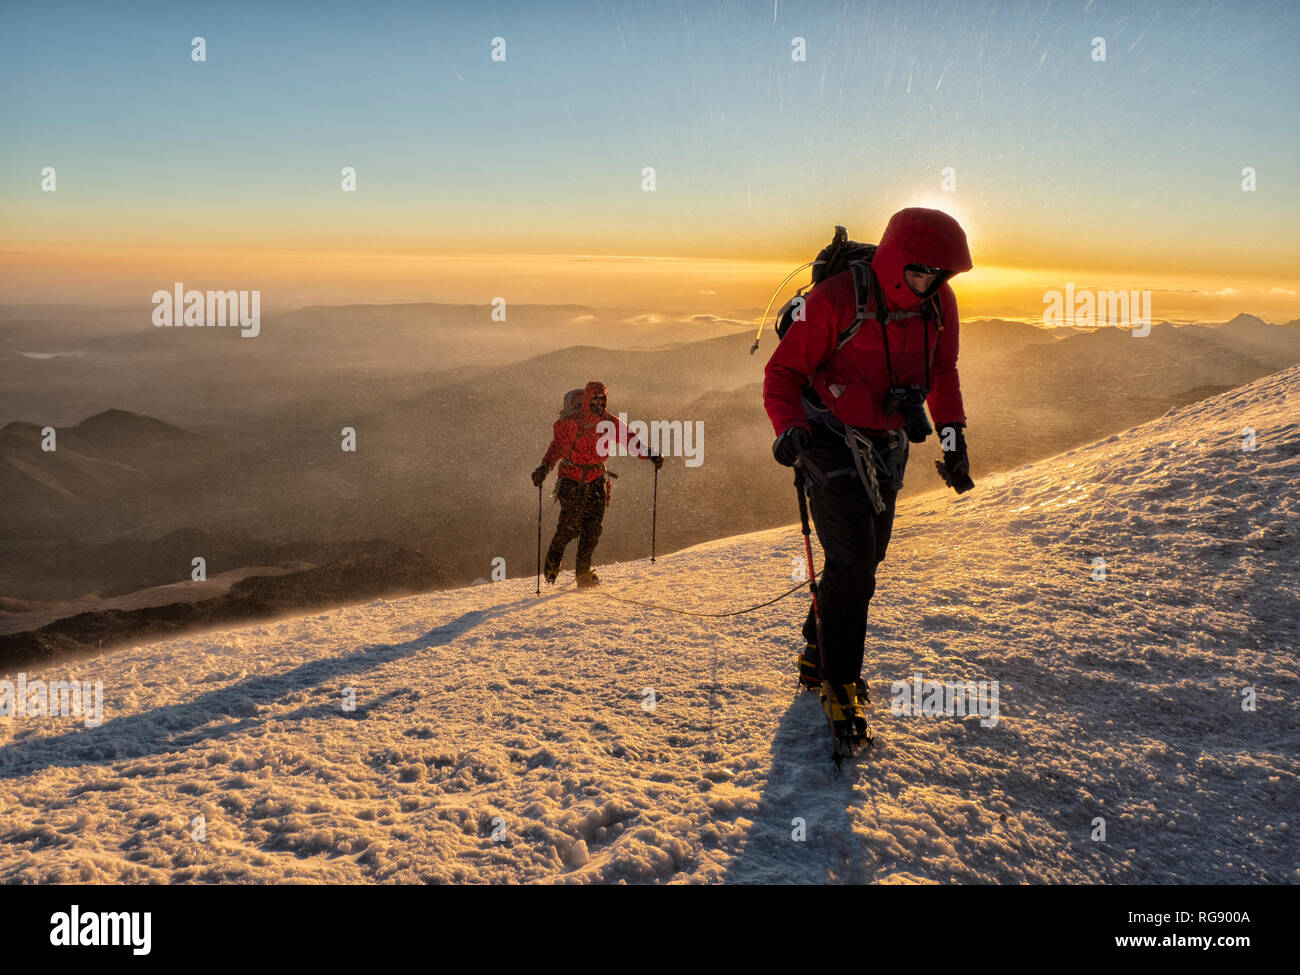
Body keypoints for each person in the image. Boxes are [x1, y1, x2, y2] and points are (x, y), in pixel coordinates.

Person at [763, 207, 974, 742]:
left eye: (940, 275)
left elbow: (943, 373)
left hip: (887, 440)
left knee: (866, 554)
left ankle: (819, 647)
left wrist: (954, 442)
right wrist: (788, 427)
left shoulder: (939, 305)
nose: (930, 284)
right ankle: (840, 684)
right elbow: (783, 371)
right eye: (921, 271)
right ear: (899, 258)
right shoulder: (837, 300)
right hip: (826, 435)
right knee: (856, 562)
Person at [532, 381, 663, 588]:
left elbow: (630, 440)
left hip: (594, 481)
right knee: (570, 528)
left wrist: (650, 454)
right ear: (586, 400)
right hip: (571, 480)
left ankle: (582, 575)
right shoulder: (573, 423)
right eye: (595, 400)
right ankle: (553, 563)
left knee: (592, 530)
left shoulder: (609, 423)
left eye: (602, 400)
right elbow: (557, 447)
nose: (599, 404)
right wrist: (544, 467)